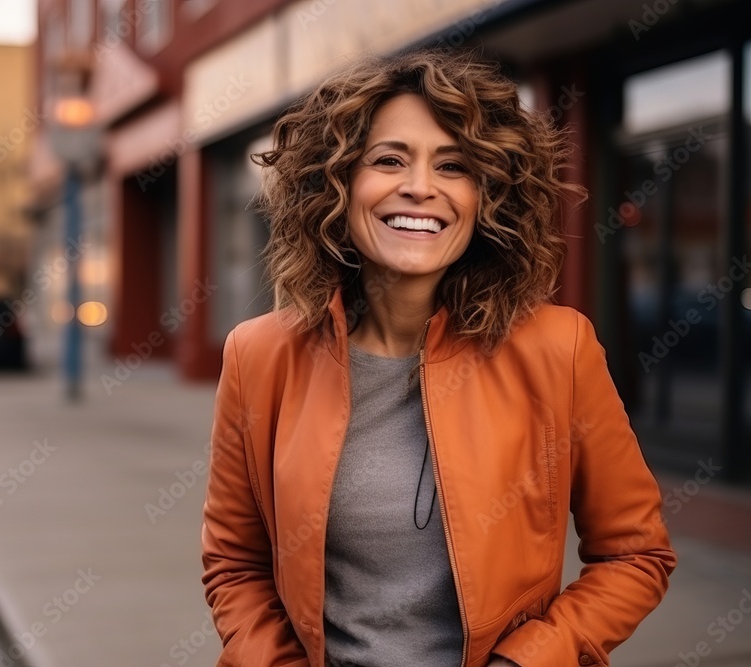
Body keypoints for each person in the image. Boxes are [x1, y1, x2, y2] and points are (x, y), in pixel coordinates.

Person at [201, 49, 676, 667]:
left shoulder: (560, 349)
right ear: (336, 186)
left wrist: (527, 661)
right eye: (389, 160)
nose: (420, 187)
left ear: (487, 198)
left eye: (453, 166)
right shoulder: (258, 355)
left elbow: (636, 555)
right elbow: (235, 565)